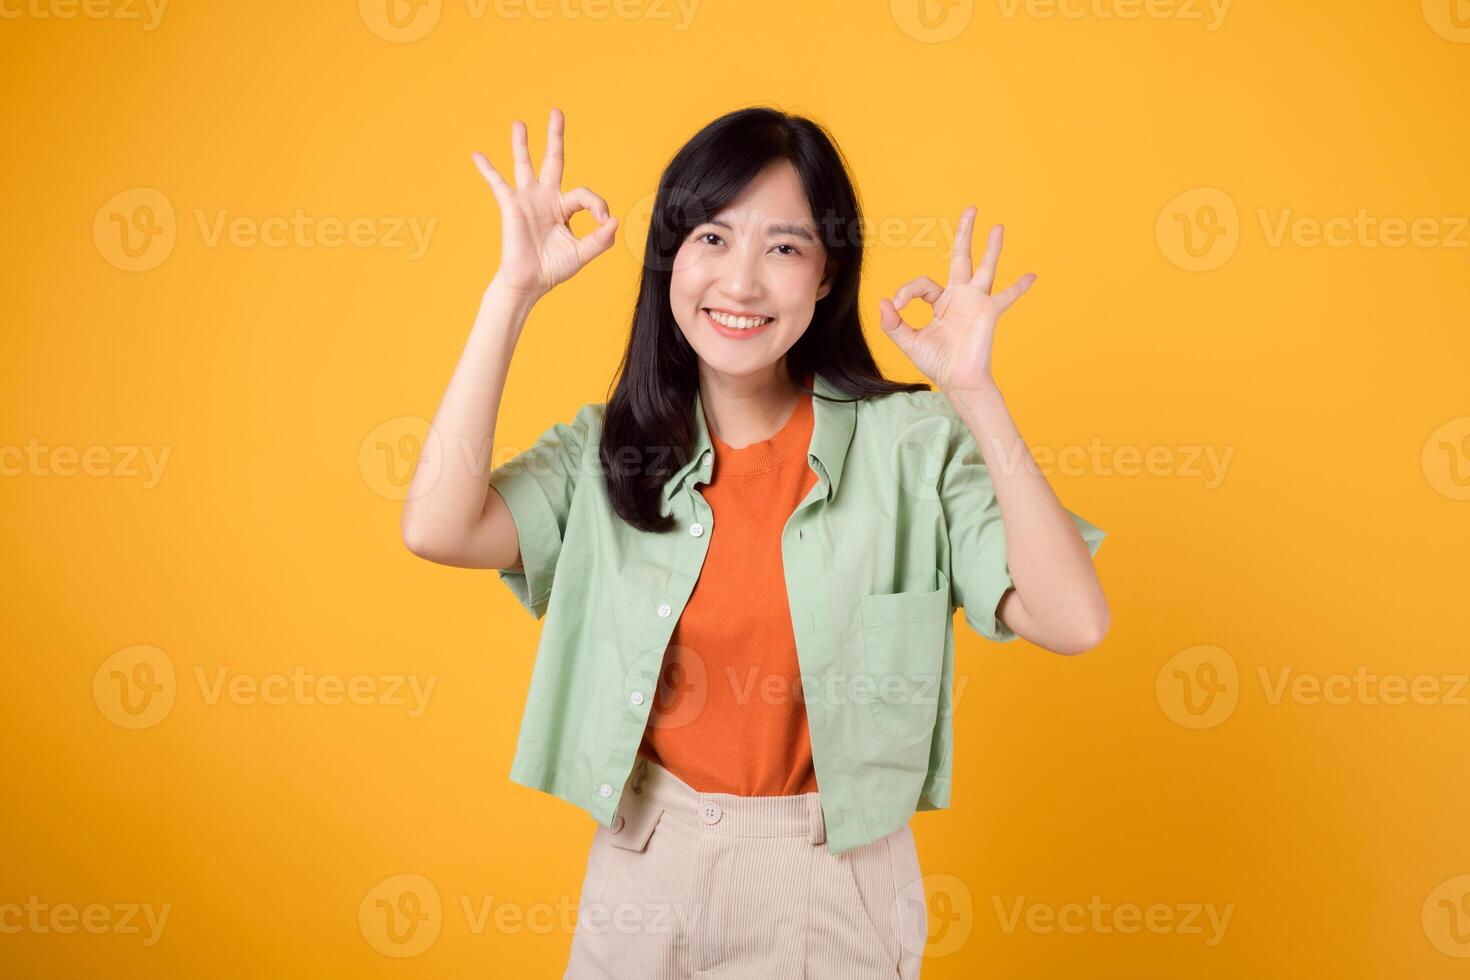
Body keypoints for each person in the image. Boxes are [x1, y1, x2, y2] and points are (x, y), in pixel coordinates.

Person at [401, 105, 1109, 979]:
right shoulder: (608, 450)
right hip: (643, 868)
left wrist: (977, 398)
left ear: (824, 277)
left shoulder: (913, 444)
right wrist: (510, 293)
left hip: (831, 883)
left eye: (782, 248)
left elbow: (1073, 619)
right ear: (671, 258)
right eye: (710, 237)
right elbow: (436, 526)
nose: (738, 283)